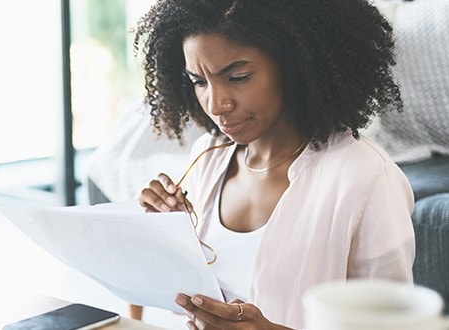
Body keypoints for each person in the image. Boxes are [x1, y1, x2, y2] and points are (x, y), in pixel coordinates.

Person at [133, 0, 415, 329]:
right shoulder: (207, 159)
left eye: (237, 77)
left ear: (294, 64)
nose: (216, 104)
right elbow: (180, 308)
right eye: (199, 81)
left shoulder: (365, 177)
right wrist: (164, 235)